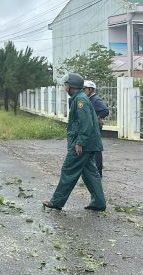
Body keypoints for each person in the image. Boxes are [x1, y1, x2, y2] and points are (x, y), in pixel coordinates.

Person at [43, 73, 106, 212]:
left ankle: (56, 201)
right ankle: (99, 203)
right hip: (89, 144)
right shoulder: (79, 98)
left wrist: (80, 142)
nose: (64, 87)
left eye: (65, 84)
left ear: (71, 86)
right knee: (90, 173)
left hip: (82, 144)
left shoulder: (80, 101)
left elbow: (86, 124)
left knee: (68, 170)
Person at [82, 80, 110, 176]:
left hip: (95, 127)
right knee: (91, 148)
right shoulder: (89, 99)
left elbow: (105, 110)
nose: (83, 91)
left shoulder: (95, 99)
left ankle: (98, 171)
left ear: (90, 89)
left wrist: (97, 118)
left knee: (96, 148)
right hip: (91, 126)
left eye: (84, 89)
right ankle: (93, 170)